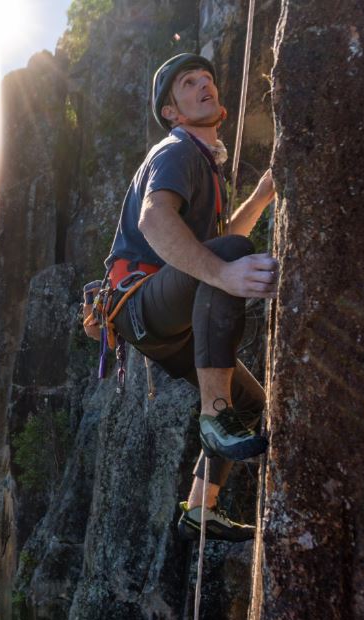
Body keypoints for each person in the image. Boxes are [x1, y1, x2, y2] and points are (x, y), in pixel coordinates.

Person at [104, 53, 277, 542]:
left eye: (207, 79)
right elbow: (155, 222)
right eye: (188, 84)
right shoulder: (175, 151)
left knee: (251, 399)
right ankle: (213, 414)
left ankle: (201, 508)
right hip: (142, 302)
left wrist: (262, 195)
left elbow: (212, 245)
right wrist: (223, 272)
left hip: (164, 317)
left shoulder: (204, 163)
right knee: (228, 259)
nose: (205, 86)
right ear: (172, 112)